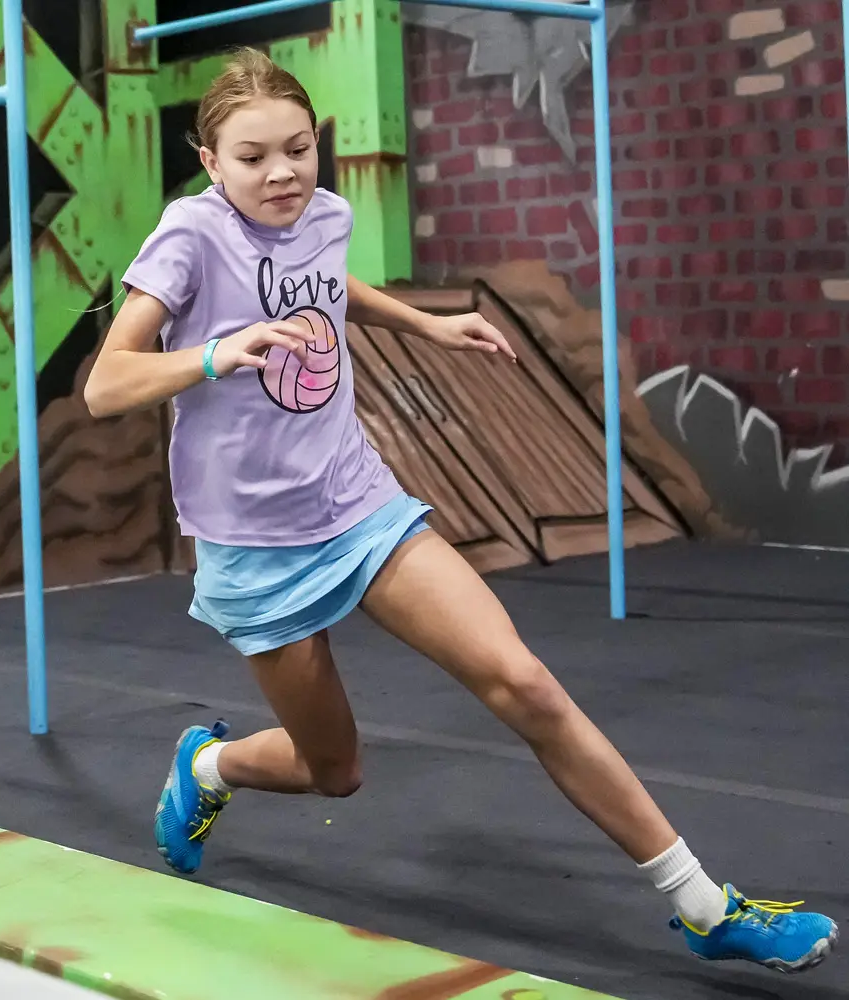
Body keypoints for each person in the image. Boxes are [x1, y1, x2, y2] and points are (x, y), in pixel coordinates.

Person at [84, 47, 836, 975]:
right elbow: (106, 383)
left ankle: (702, 903)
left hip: (357, 504)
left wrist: (425, 322)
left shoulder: (325, 214)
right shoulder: (189, 237)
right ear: (210, 161)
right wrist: (215, 353)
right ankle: (207, 767)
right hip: (254, 549)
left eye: (297, 148)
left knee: (526, 684)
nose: (281, 173)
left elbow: (326, 286)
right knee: (335, 773)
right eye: (252, 158)